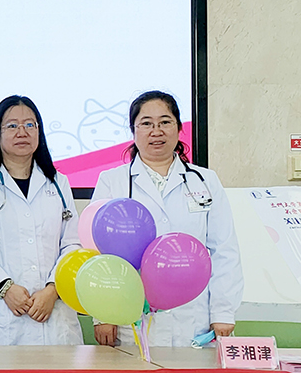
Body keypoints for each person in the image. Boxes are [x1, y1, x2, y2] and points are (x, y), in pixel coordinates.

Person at [90, 90, 242, 348]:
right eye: (146, 123)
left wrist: (223, 312)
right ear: (133, 130)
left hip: (194, 317)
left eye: (165, 122)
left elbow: (224, 250)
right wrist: (103, 313)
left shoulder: (205, 180)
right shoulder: (112, 181)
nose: (156, 131)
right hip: (131, 315)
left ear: (179, 128)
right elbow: (97, 252)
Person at [0, 95, 82, 345]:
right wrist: (5, 287)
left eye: (30, 124)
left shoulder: (58, 182)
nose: (22, 132)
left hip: (54, 315)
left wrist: (53, 289)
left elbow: (72, 244)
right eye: (12, 125)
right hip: (0, 318)